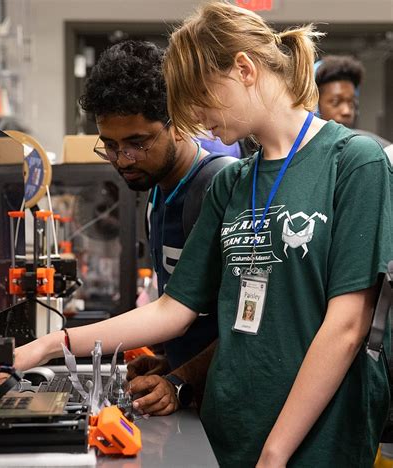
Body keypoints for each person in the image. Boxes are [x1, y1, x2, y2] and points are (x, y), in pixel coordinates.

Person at [15, 3, 392, 466]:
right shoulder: (233, 183)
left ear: (243, 70)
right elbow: (172, 311)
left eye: (199, 101)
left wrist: (275, 453)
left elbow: (348, 326)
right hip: (229, 428)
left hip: (316, 439)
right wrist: (51, 345)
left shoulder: (354, 163)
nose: (194, 120)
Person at [79, 40, 237, 414]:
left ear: (179, 123)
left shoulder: (220, 187)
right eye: (111, 146)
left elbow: (245, 324)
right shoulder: (154, 194)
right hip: (196, 399)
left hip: (229, 408)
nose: (123, 160)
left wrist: (182, 379)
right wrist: (169, 366)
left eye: (137, 142)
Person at [315, 54, 391, 147]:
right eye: (336, 102)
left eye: (351, 102)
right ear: (314, 104)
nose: (347, 111)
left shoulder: (378, 148)